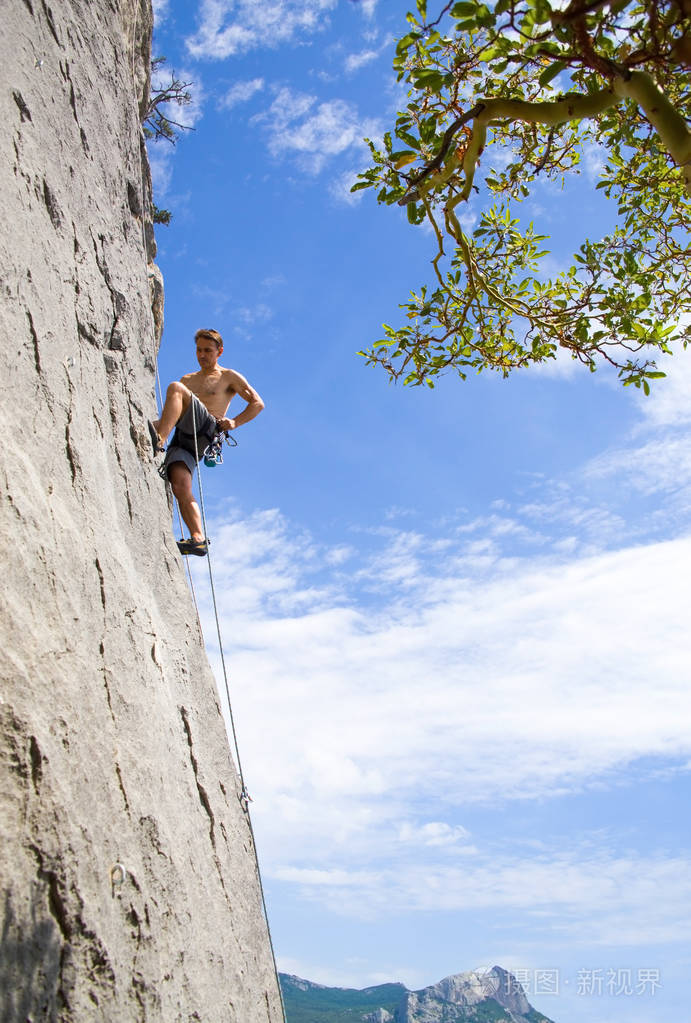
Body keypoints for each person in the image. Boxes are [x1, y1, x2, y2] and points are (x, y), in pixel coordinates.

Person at [148, 328, 264, 556]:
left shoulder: (228, 376)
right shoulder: (189, 379)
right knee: (180, 485)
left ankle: (159, 439)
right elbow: (174, 412)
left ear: (219, 351)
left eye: (208, 350)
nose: (202, 355)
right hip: (184, 436)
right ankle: (198, 540)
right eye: (199, 350)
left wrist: (235, 422)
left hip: (206, 428)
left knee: (175, 388)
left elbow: (257, 403)